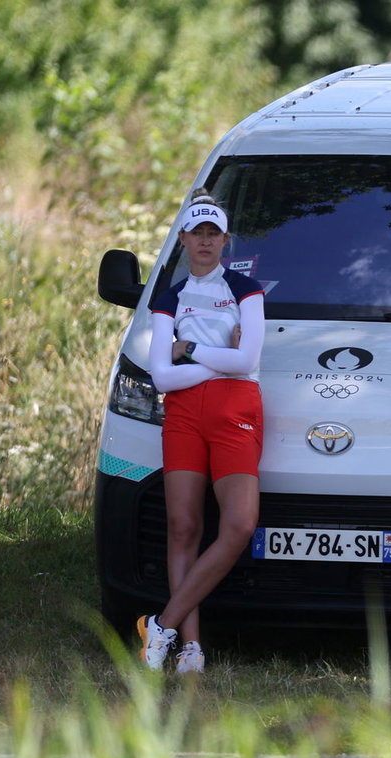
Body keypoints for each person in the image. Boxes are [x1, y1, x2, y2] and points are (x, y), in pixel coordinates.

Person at [138, 191, 266, 674]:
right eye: (198, 233)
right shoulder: (168, 297)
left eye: (214, 233)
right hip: (185, 414)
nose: (205, 241)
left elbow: (248, 361)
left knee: (238, 524)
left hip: (237, 410)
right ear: (184, 239)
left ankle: (161, 624)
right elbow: (161, 378)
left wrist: (186, 349)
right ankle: (189, 647)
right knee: (184, 527)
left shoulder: (246, 289)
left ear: (225, 240)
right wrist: (219, 361)